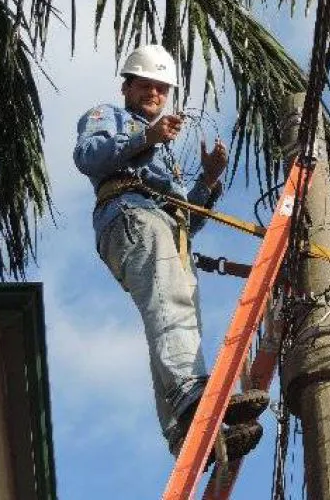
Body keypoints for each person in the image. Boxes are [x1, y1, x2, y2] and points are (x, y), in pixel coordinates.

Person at [73, 44, 268, 459]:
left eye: (162, 89)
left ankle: (184, 430)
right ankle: (191, 395)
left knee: (170, 313)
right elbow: (88, 157)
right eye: (146, 86)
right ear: (127, 87)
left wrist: (210, 181)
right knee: (171, 304)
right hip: (130, 216)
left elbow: (187, 221)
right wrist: (147, 136)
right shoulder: (109, 115)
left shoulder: (162, 148)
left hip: (161, 225)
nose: (155, 95)